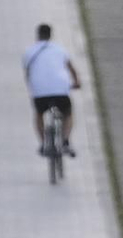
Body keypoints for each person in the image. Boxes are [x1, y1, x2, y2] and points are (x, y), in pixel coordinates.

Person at [23, 22, 81, 156]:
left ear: (38, 35)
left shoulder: (30, 51)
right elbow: (71, 68)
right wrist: (76, 83)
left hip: (40, 92)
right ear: (50, 35)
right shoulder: (60, 49)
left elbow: (28, 74)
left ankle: (43, 144)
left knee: (38, 114)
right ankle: (65, 141)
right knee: (68, 114)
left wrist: (33, 88)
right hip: (60, 91)